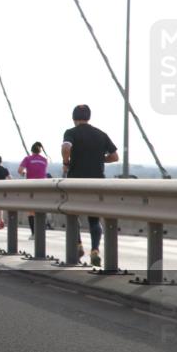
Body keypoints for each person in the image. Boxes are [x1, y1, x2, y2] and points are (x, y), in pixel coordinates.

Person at [62, 104, 118, 267]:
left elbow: (66, 147)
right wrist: (100, 159)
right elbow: (115, 156)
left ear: (74, 118)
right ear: (89, 117)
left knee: (73, 214)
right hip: (96, 181)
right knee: (94, 218)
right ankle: (94, 250)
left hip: (76, 181)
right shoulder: (101, 134)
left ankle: (78, 244)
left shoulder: (71, 132)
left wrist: (66, 162)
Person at [18, 142, 49, 239]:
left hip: (31, 187)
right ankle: (41, 232)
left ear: (31, 150)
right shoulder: (45, 160)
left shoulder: (27, 159)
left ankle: (34, 234)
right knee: (41, 210)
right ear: (40, 151)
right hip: (42, 187)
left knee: (31, 211)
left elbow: (20, 170)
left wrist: (24, 173)